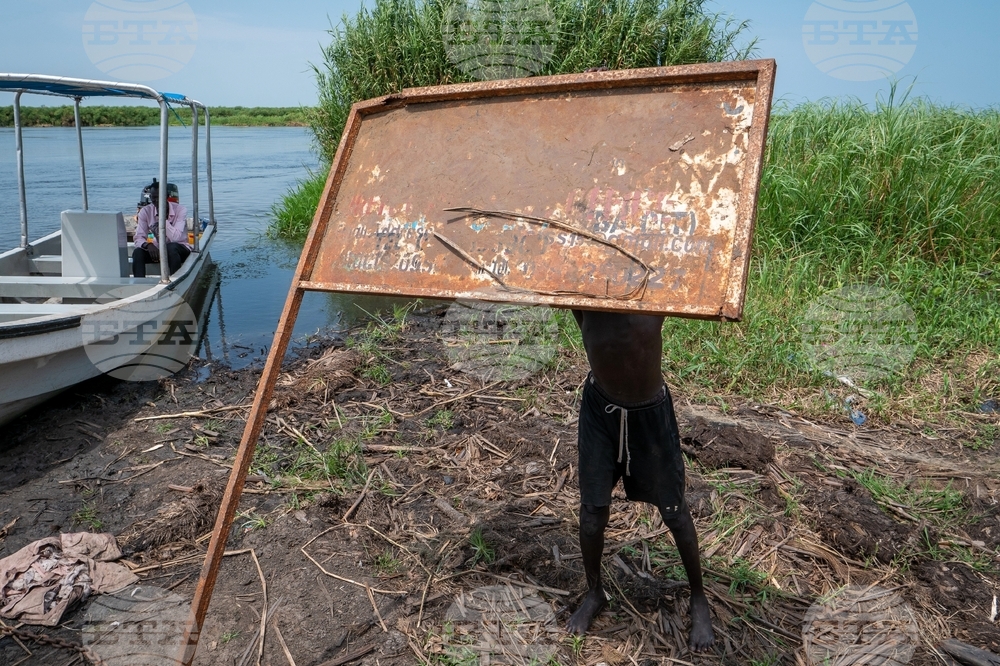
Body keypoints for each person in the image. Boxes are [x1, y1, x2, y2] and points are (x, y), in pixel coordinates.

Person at [567, 310, 715, 652]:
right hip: (600, 409)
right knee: (591, 515)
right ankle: (594, 593)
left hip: (650, 413)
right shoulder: (584, 288)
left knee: (674, 512)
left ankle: (698, 597)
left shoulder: (651, 290)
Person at [133, 181, 190, 278]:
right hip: (160, 248)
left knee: (171, 247)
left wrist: (162, 218)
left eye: (159, 197)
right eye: (153, 197)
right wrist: (148, 245)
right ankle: (139, 283)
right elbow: (138, 237)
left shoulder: (181, 210)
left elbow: (175, 238)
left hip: (180, 248)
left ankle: (174, 281)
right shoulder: (145, 211)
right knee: (138, 252)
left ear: (166, 197)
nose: (156, 201)